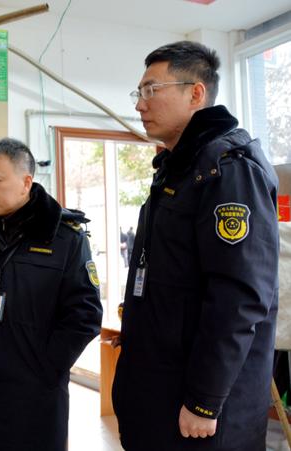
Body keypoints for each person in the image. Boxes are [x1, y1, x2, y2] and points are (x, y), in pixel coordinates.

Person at [113, 41, 279, 451]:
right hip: (161, 389)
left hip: (201, 408)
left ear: (196, 93)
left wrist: (205, 401)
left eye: (151, 90)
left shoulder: (228, 169)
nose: (140, 105)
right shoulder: (179, 169)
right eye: (139, 93)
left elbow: (238, 297)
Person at [0, 138, 103, 451]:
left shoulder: (65, 238)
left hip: (34, 393)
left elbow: (85, 314)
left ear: (26, 182)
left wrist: (47, 367)